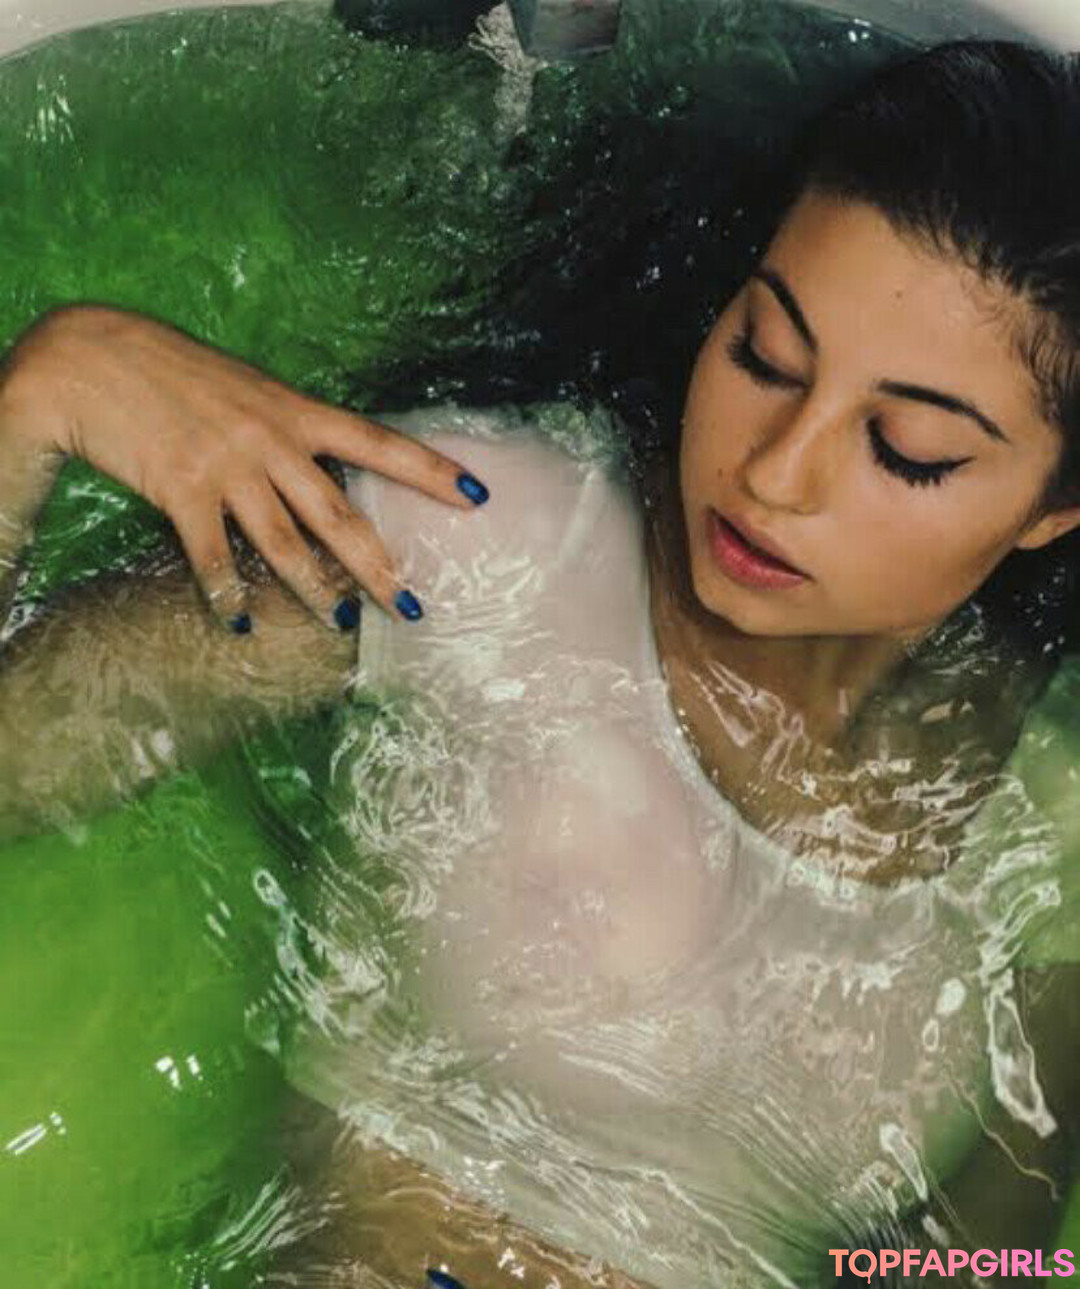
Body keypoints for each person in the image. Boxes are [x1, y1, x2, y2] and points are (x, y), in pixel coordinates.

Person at [2, 37, 1080, 1289]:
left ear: (1054, 509)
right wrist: (44, 396)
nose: (774, 471)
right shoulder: (487, 539)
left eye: (906, 448)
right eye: (765, 356)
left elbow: (986, 1262)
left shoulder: (1048, 823)